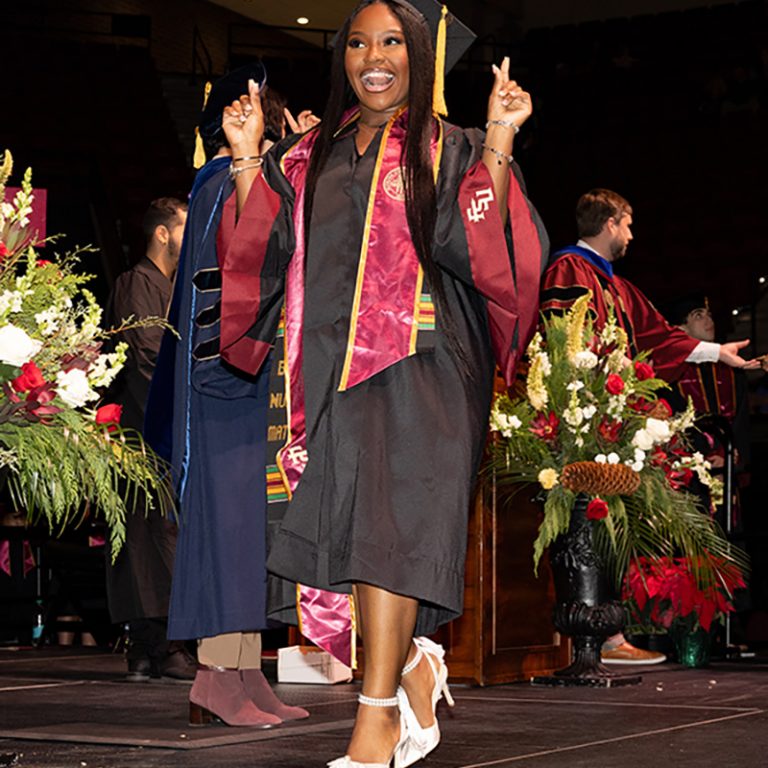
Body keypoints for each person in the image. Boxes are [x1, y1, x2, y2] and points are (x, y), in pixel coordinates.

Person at [217, 1, 548, 764]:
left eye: (393, 42)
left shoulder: (448, 145)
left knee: (388, 536)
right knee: (353, 537)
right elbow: (258, 250)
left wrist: (499, 136)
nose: (375, 56)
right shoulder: (308, 158)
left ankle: (374, 721)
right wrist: (245, 155)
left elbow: (487, 250)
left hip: (425, 361)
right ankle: (410, 666)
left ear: (419, 56)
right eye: (359, 42)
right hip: (332, 370)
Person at [144, 64, 311, 727]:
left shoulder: (246, 178)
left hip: (248, 383)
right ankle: (216, 675)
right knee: (226, 529)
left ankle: (244, 670)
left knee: (250, 534)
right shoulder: (221, 181)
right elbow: (244, 265)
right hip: (223, 384)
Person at [541, 188, 759, 666]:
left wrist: (718, 353)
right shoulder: (568, 271)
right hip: (578, 417)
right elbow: (560, 341)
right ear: (610, 223)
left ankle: (610, 635)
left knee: (610, 523)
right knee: (584, 525)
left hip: (612, 419)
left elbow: (660, 336)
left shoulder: (617, 285)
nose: (632, 234)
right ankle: (590, 637)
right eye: (628, 223)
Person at [105, 197, 196, 682]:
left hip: (162, 423)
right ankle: (156, 645)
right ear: (162, 233)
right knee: (148, 536)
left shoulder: (173, 286)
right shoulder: (137, 283)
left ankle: (151, 648)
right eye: (184, 227)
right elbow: (145, 358)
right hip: (145, 427)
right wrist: (174, 417)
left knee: (155, 534)